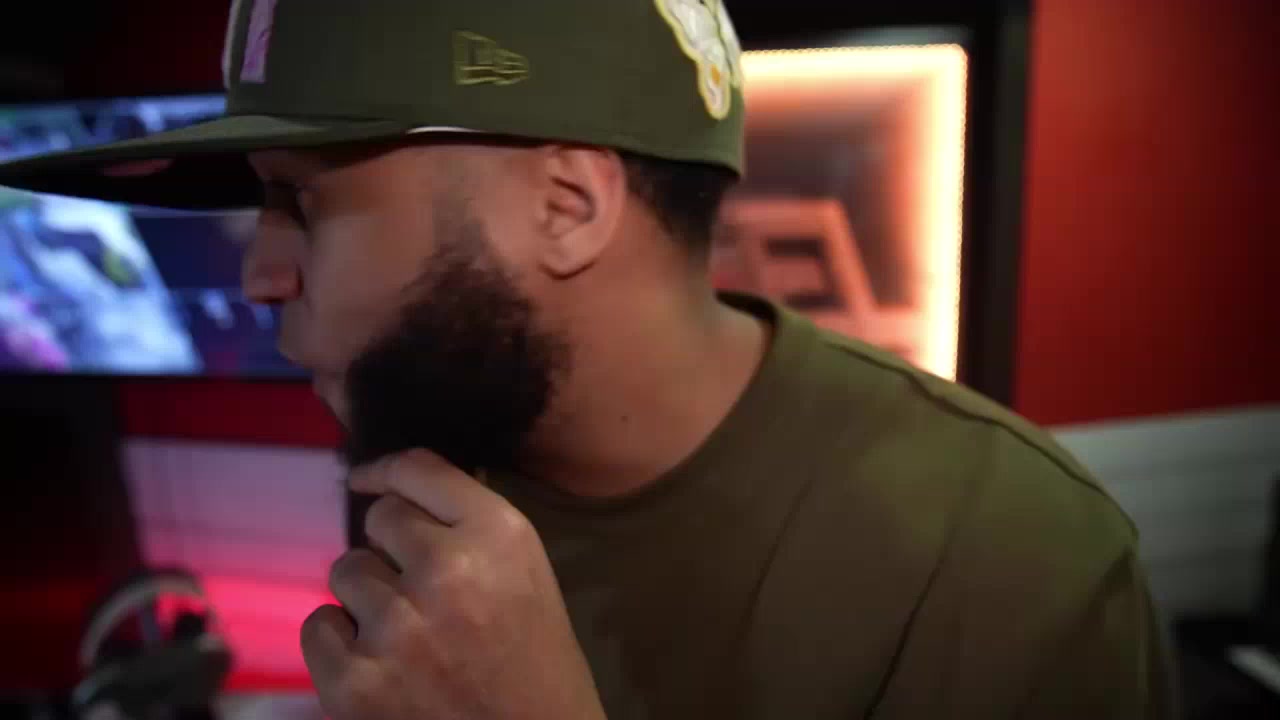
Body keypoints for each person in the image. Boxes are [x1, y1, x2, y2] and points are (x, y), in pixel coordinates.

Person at [0, 1, 1176, 718]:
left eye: (302, 201)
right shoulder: (441, 442)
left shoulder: (1005, 556)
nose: (259, 273)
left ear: (566, 206)